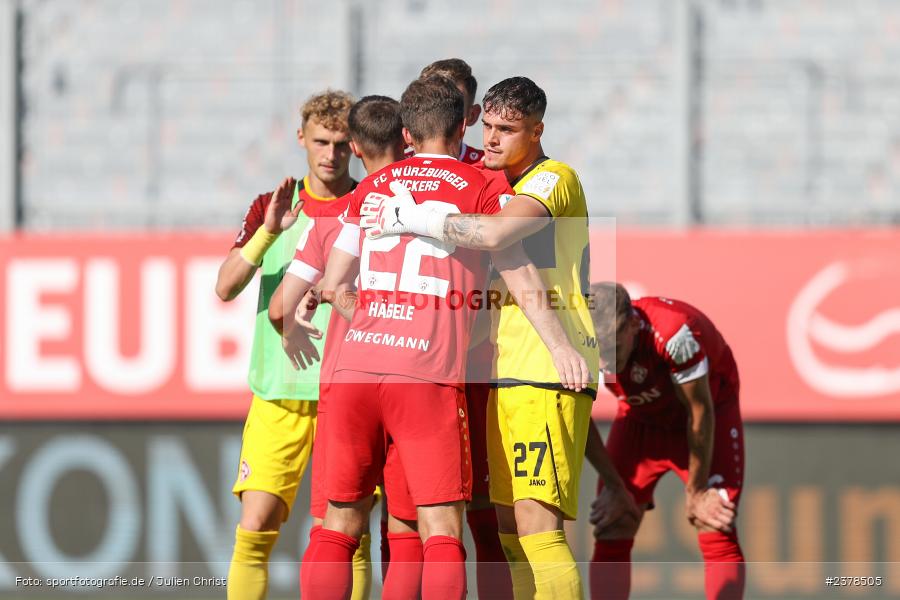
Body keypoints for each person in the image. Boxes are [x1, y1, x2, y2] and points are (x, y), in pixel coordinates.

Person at [299, 75, 588, 600]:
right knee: (442, 533)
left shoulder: (371, 186)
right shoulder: (481, 184)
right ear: (465, 126)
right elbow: (514, 262)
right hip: (425, 375)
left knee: (338, 526)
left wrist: (373, 318)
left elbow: (333, 284)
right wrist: (560, 344)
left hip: (355, 369)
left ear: (406, 134)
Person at [268, 94, 422, 600]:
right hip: (413, 378)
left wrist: (297, 332)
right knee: (408, 530)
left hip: (348, 381)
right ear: (406, 139)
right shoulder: (435, 207)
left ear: (355, 148)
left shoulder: (335, 218)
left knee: (337, 526)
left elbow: (279, 309)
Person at [215, 90, 364, 600]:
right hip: (278, 393)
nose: (330, 154)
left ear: (356, 147)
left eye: (342, 144)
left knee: (349, 534)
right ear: (301, 139)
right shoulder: (272, 205)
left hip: (347, 392)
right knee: (255, 527)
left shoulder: (371, 207)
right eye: (321, 142)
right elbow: (225, 287)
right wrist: (265, 234)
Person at [416, 57, 513, 600]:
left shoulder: (491, 174)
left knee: (482, 510)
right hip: (410, 358)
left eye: (453, 101)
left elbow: (514, 250)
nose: (443, 111)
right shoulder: (397, 167)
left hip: (476, 357)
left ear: (471, 113)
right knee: (403, 516)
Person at [587, 283, 746, 600]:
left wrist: (698, 489)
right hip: (640, 417)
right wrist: (614, 485)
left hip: (706, 414)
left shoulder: (675, 334)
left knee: (712, 519)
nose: (604, 364)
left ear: (633, 325)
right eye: (597, 353)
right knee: (613, 521)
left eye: (612, 350)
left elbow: (699, 412)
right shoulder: (575, 337)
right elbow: (575, 416)